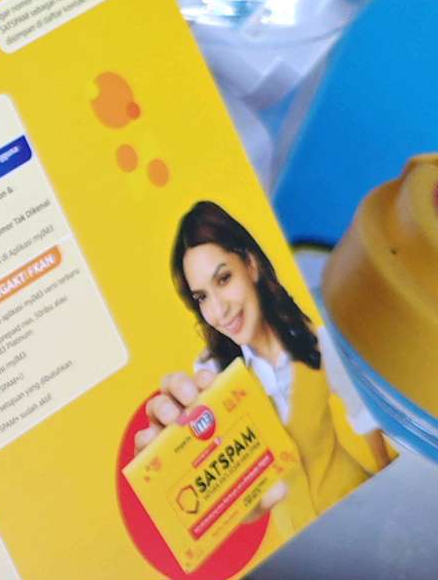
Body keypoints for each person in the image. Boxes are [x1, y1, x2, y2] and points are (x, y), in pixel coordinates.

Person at [135, 200, 390, 518]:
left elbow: (365, 418)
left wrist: (390, 484)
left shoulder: (316, 340)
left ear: (251, 265)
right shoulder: (212, 375)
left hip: (360, 503)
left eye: (223, 279)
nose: (219, 310)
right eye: (202, 297)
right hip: (299, 537)